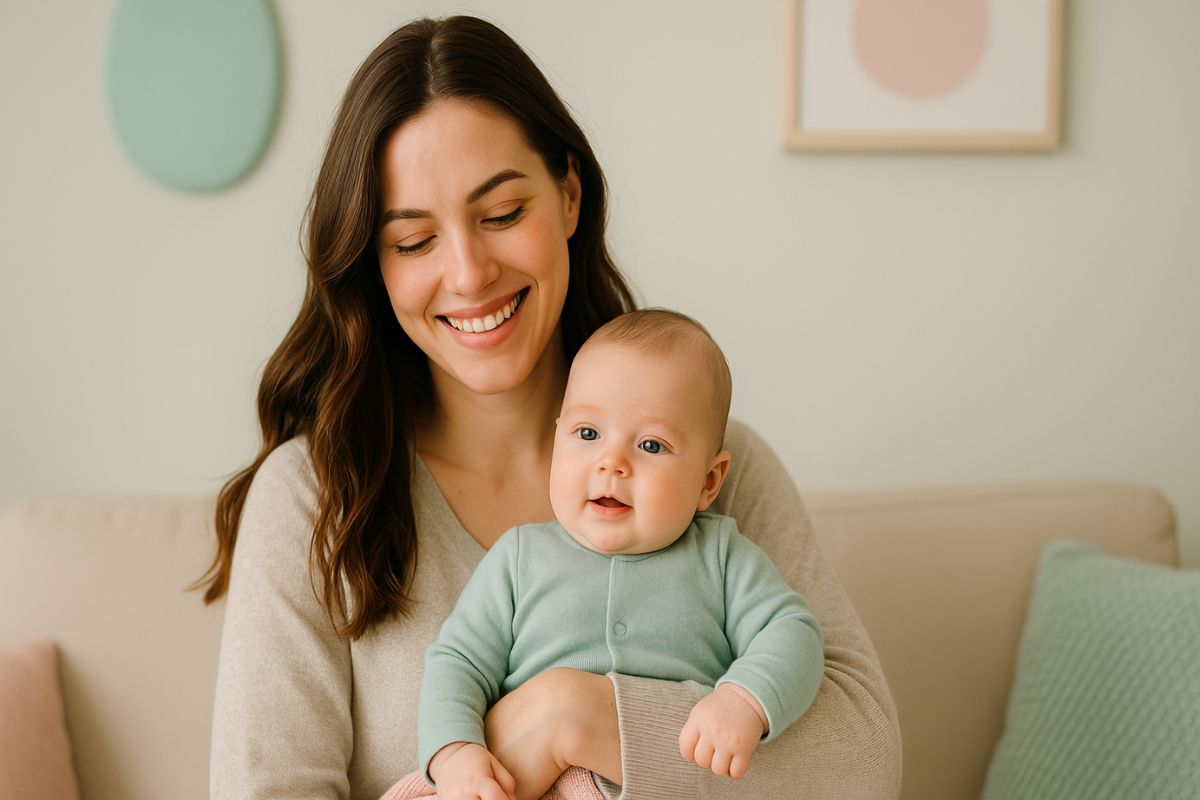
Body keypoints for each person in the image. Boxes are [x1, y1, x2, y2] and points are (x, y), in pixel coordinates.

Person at [199, 14, 901, 800]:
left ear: (568, 196)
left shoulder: (714, 470)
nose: (468, 275)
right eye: (413, 241)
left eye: (501, 214)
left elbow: (864, 763)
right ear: (374, 266)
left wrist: (570, 718)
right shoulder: (315, 497)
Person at [407, 310, 824, 800]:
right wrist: (454, 753)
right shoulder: (519, 559)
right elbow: (457, 663)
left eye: (651, 444)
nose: (612, 462)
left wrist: (744, 700)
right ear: (558, 438)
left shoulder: (721, 556)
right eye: (587, 434)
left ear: (709, 482)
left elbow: (794, 634)